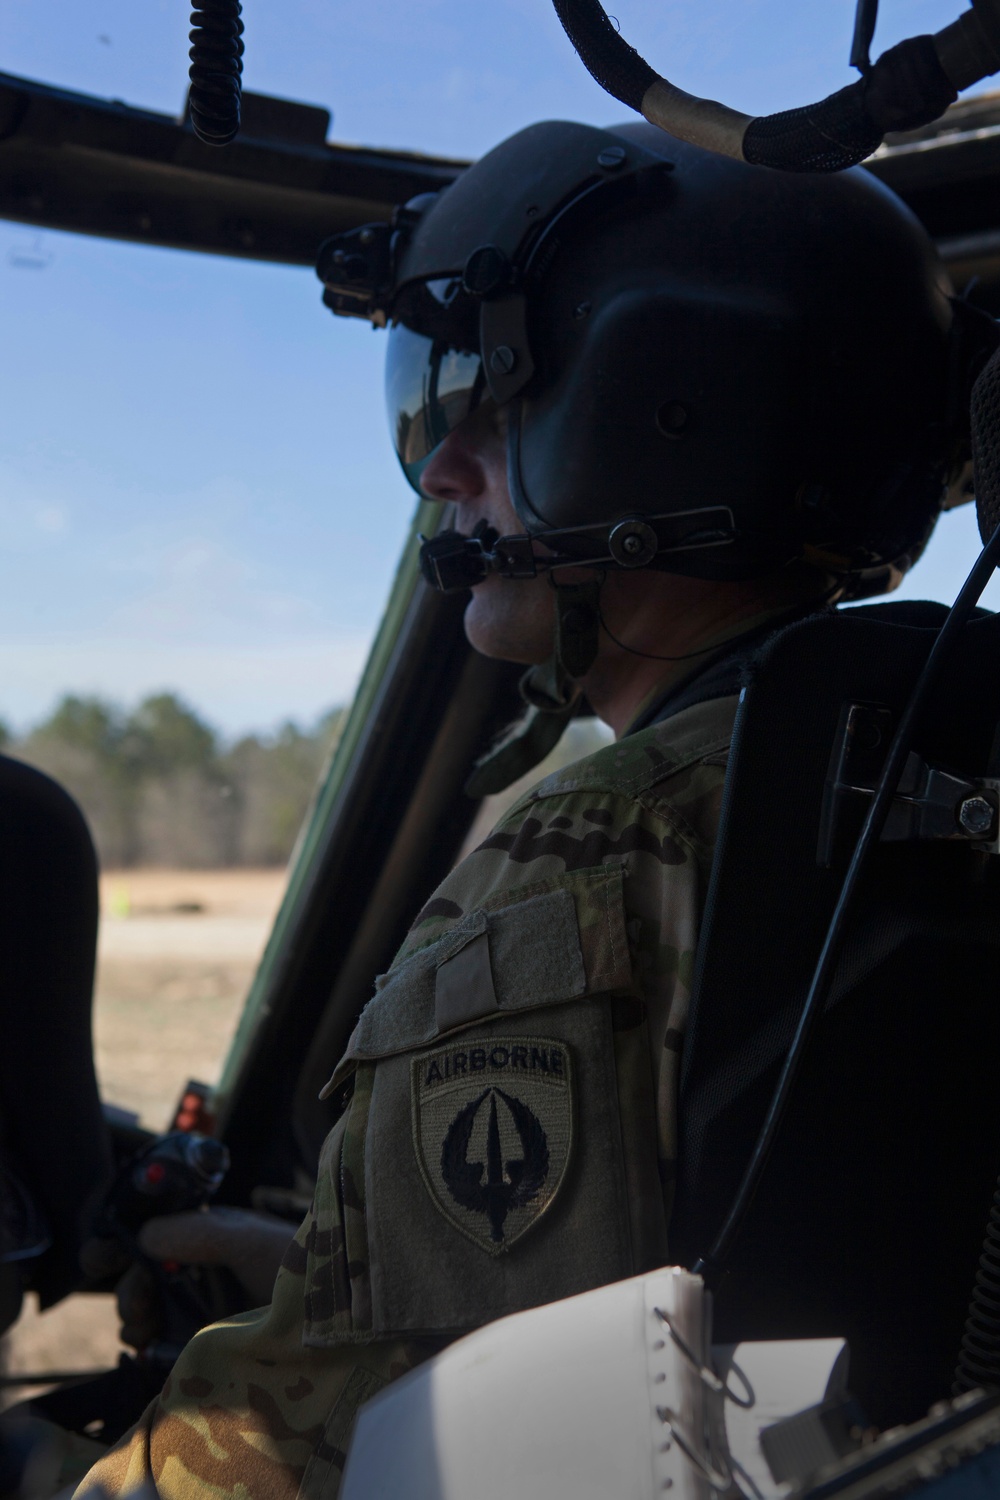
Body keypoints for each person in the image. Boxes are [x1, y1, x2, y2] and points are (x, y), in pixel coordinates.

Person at [75, 118, 982, 1500]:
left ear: (662, 405)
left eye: (482, 399)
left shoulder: (606, 850)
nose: (440, 468)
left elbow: (301, 1450)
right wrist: (326, 1266)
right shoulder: (912, 776)